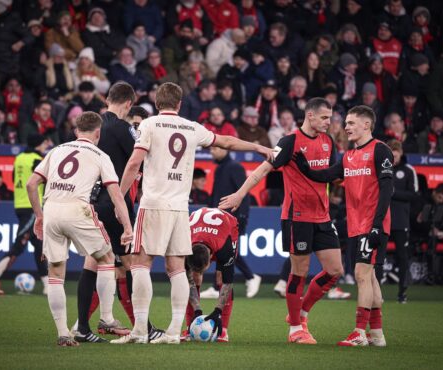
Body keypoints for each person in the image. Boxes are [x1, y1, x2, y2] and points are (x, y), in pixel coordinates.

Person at [111, 82, 272, 344]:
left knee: (140, 264)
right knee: (176, 269)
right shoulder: (191, 127)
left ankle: (140, 330)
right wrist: (258, 148)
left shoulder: (149, 125)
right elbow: (227, 141)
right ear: (179, 104)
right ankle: (174, 332)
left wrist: (119, 197)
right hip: (180, 208)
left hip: (153, 204)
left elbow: (133, 163)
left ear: (156, 102)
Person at [220, 98, 344, 345]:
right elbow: (262, 170)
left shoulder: (328, 141)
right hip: (297, 217)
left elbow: (333, 175)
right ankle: (296, 329)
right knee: (299, 271)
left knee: (335, 271)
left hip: (323, 215)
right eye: (324, 118)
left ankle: (300, 313)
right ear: (310, 116)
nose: (329, 123)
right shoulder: (289, 142)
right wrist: (239, 194)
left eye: (330, 118)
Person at [26, 112, 133, 347]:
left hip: (52, 208)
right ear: (98, 133)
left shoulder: (57, 150)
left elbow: (32, 184)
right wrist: (126, 226)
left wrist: (39, 216)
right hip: (78, 209)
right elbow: (116, 194)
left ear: (76, 131)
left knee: (55, 272)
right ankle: (106, 318)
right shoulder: (100, 155)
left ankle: (64, 333)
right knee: (106, 257)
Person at [293, 105, 394, 347]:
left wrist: (377, 225)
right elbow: (328, 174)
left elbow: (387, 189)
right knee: (370, 279)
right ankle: (377, 335)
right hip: (357, 225)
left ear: (366, 125)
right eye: (346, 123)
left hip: (373, 225)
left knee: (361, 275)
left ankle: (359, 333)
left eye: (351, 123)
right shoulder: (349, 156)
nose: (346, 127)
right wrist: (306, 169)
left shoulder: (380, 150)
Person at [71, 83, 142, 343]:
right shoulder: (124, 129)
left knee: (97, 260)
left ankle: (83, 325)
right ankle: (142, 326)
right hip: (115, 203)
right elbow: (140, 159)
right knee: (133, 263)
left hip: (92, 201)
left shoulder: (95, 128)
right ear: (128, 103)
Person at [0, 135, 50, 295]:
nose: (45, 147)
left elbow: (14, 179)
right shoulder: (37, 159)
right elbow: (44, 182)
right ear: (39, 145)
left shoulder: (19, 158)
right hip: (32, 207)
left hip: (19, 206)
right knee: (18, 246)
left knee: (40, 246)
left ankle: (48, 286)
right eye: (44, 144)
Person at [200, 146, 262, 299]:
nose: (212, 152)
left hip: (233, 218)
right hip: (218, 217)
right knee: (221, 250)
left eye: (214, 149)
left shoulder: (235, 167)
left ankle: (250, 277)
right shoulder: (221, 168)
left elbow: (244, 194)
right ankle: (217, 286)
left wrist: (242, 216)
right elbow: (215, 195)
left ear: (224, 149)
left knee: (227, 251)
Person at [183, 207, 239, 342]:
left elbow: (228, 282)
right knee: (193, 278)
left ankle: (223, 330)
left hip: (228, 227)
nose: (200, 273)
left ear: (210, 260)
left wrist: (218, 311)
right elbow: (188, 282)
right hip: (198, 227)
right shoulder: (184, 245)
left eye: (202, 270)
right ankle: (190, 325)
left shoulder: (224, 249)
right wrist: (197, 310)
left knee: (221, 277)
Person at [387, 140, 418, 303]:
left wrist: (393, 192)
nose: (393, 156)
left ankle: (402, 293)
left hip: (400, 220)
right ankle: (375, 292)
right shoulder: (382, 169)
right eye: (391, 153)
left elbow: (414, 195)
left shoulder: (408, 171)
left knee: (402, 256)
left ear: (401, 153)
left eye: (396, 153)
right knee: (378, 256)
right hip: (382, 219)